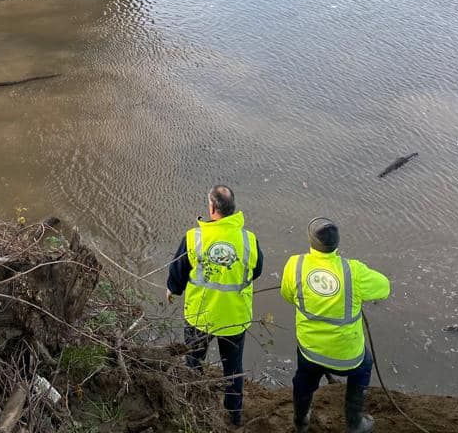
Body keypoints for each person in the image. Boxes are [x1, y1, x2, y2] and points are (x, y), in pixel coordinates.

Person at [281, 218, 391, 433]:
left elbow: (287, 295)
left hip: (310, 350)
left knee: (304, 379)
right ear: (337, 244)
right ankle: (354, 423)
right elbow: (384, 287)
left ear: (311, 242)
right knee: (364, 365)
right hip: (347, 355)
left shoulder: (295, 264)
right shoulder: (354, 270)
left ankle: (301, 421)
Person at [167, 185, 263, 427]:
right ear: (233, 209)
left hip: (200, 316)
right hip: (234, 317)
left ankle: (193, 404)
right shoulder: (248, 240)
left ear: (211, 208)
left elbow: (178, 272)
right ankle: (234, 414)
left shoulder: (194, 237)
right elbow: (257, 270)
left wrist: (172, 290)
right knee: (233, 368)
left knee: (193, 362)